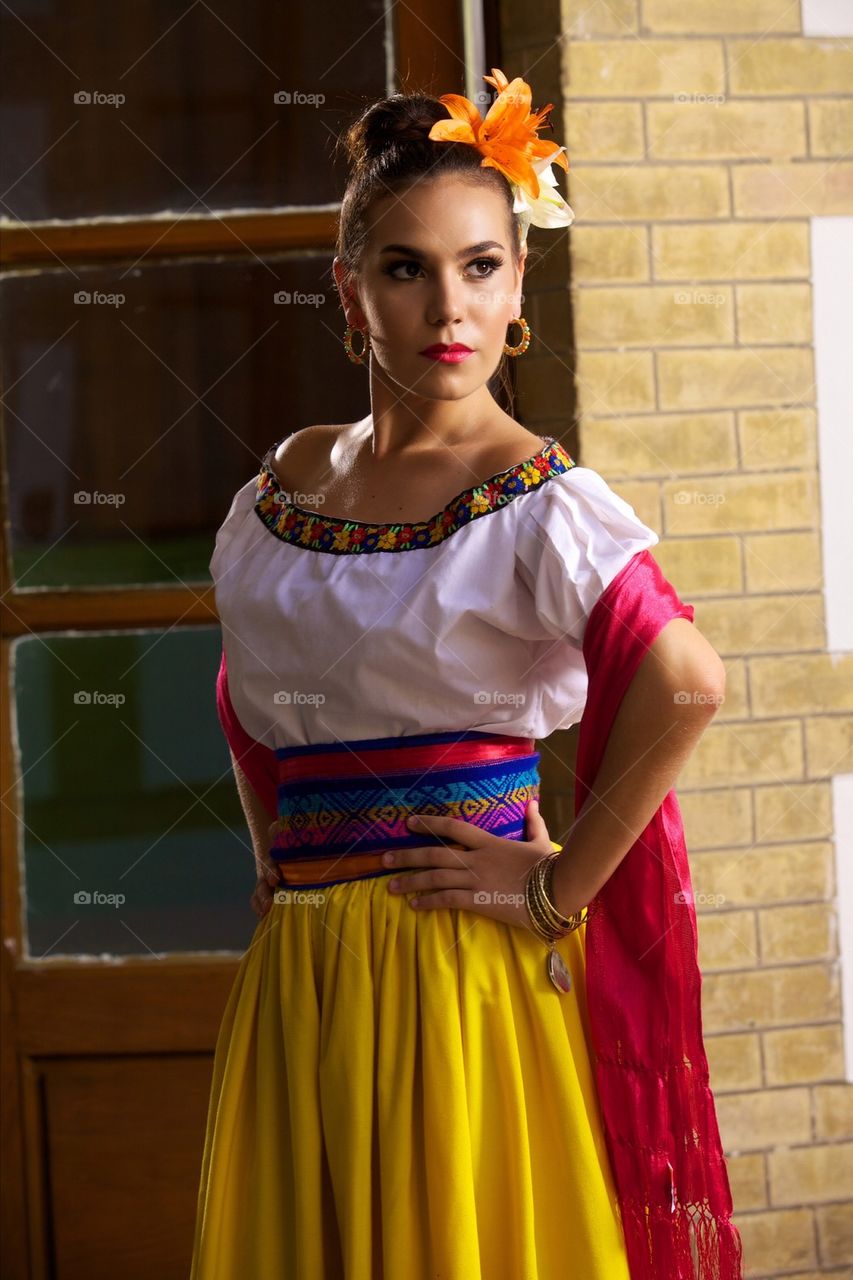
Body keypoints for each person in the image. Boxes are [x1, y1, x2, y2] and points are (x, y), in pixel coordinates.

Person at [190, 69, 744, 1279]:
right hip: (307, 967)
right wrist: (273, 860)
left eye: (481, 266)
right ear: (350, 292)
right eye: (407, 268)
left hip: (459, 970)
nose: (450, 305)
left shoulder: (540, 504)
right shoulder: (281, 487)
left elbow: (686, 682)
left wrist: (558, 890)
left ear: (517, 286)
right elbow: (248, 692)